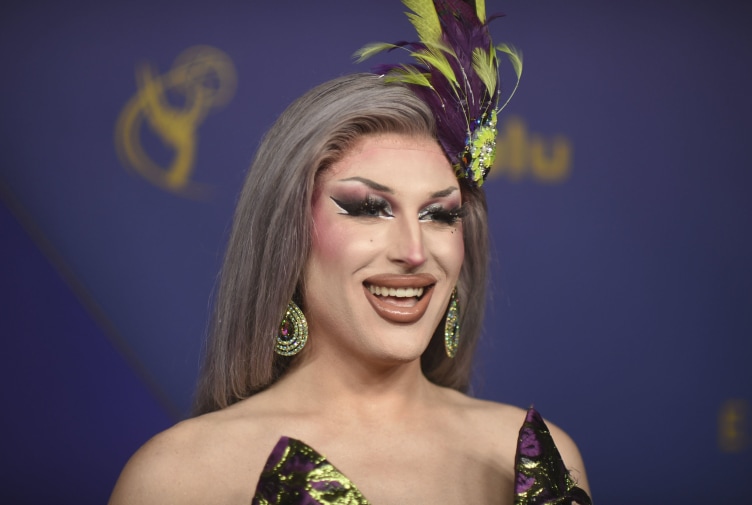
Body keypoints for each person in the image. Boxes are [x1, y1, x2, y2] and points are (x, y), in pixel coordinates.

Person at [110, 2, 592, 504]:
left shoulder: (536, 456)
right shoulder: (179, 477)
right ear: (288, 235)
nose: (414, 251)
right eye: (368, 208)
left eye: (440, 214)